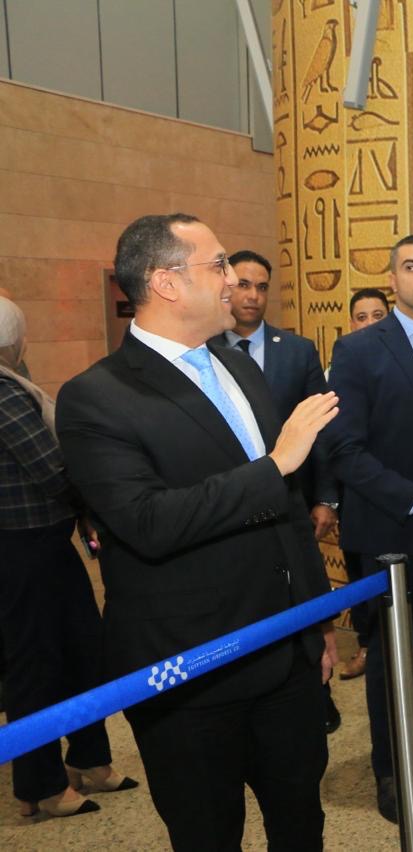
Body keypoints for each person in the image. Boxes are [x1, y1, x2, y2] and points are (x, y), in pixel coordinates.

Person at [56, 213, 340, 850]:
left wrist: (317, 622)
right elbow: (148, 523)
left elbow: (288, 509)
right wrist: (276, 464)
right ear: (166, 283)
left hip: (286, 658)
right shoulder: (95, 396)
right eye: (217, 266)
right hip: (187, 674)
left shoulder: (239, 368)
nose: (233, 279)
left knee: (302, 825)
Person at [325, 234, 413, 822]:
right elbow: (344, 449)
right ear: (392, 279)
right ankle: (391, 770)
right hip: (390, 532)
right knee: (388, 663)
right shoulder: (357, 350)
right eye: (411, 267)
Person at [0, 297, 137, 820]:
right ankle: (40, 786)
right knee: (36, 665)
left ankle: (90, 759)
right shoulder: (4, 391)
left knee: (83, 650)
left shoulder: (15, 384)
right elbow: (50, 468)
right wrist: (101, 497)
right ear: (13, 340)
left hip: (45, 545)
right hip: (23, 550)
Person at [207, 249, 342, 733]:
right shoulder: (204, 352)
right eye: (243, 284)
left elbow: (322, 433)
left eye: (262, 287)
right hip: (231, 505)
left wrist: (326, 497)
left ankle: (317, 695)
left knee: (303, 596)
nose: (252, 295)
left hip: (292, 501)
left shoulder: (296, 350)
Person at [334, 287, 391, 681]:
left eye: (378, 316)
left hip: (406, 490)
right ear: (351, 323)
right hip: (357, 494)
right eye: (361, 316)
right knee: (364, 580)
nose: (369, 323)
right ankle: (367, 646)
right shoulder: (339, 365)